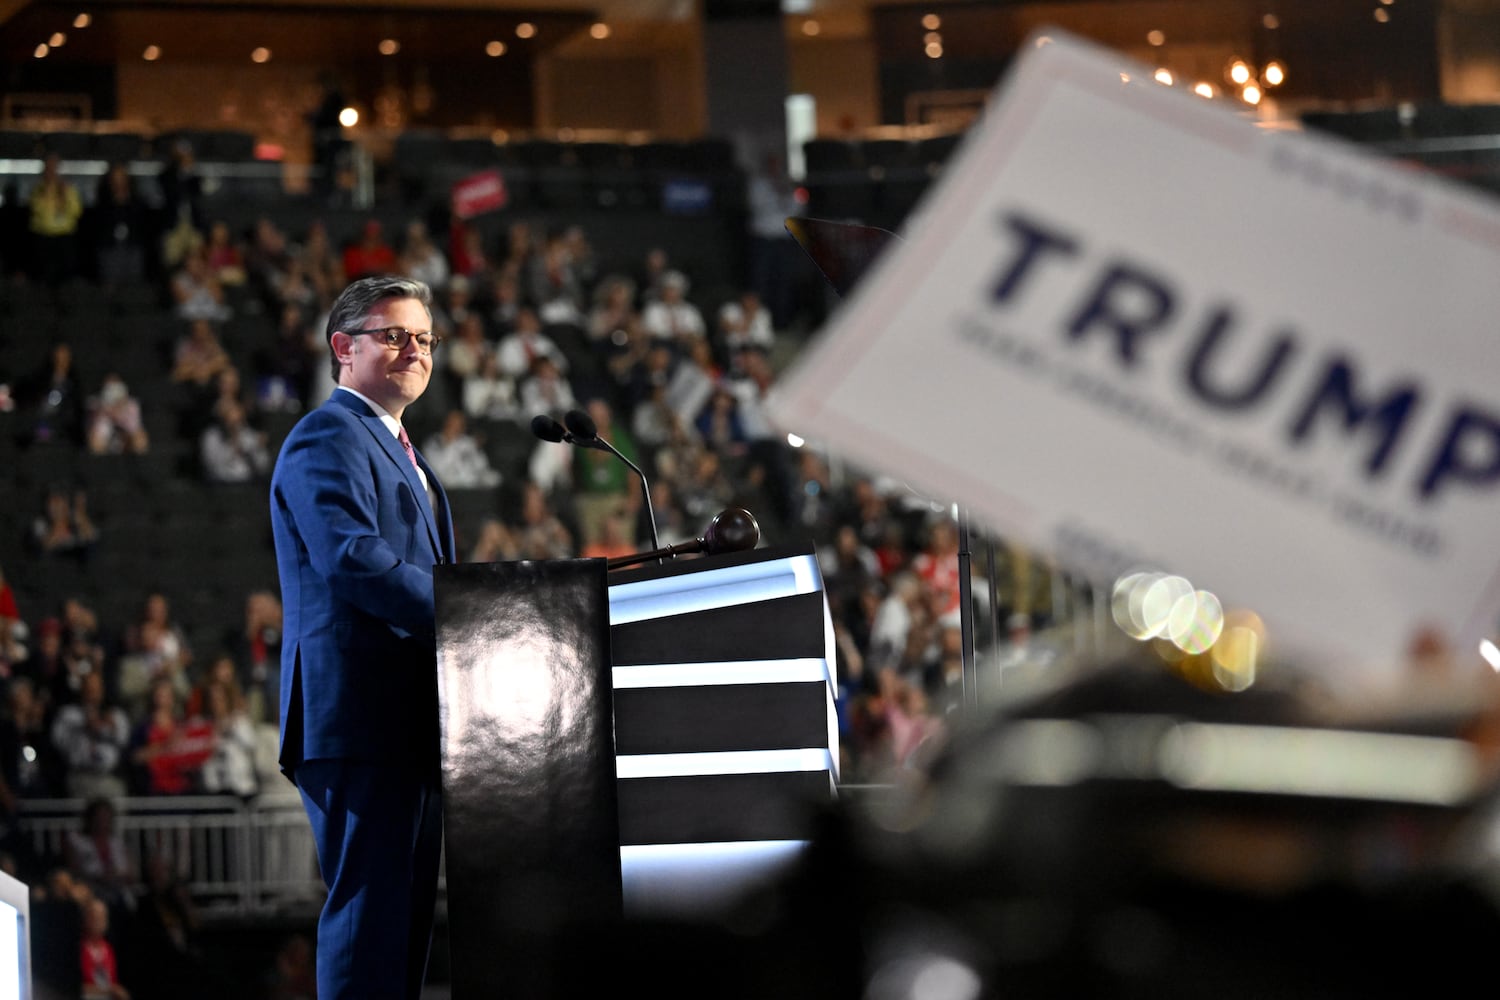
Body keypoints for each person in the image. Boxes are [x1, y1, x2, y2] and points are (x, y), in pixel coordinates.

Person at [269, 275, 455, 999]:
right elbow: (351, 556)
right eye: (395, 335)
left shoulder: (409, 452)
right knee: (369, 918)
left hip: (410, 719)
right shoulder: (327, 433)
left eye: (425, 339)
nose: (414, 349)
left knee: (401, 928)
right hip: (358, 716)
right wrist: (468, 614)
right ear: (343, 348)